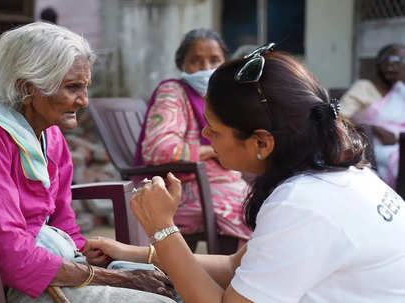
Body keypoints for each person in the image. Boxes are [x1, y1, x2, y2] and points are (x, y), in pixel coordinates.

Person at [84, 44, 405, 302]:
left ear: (261, 142)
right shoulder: (335, 178)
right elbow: (231, 266)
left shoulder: (303, 203)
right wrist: (134, 253)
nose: (206, 135)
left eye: (215, 129)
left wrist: (162, 228)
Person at [0, 22, 175, 303]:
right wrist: (115, 277)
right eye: (73, 87)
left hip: (38, 260)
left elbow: (62, 219)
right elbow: (7, 250)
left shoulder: (51, 136)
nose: (83, 100)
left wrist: (86, 252)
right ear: (27, 88)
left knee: (173, 286)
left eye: (85, 87)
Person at [134, 28, 251, 246]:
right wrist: (210, 150)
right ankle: (232, 275)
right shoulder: (173, 92)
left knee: (269, 209)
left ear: (225, 62)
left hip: (221, 183)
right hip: (182, 186)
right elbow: (159, 148)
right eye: (196, 61)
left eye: (215, 60)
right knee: (251, 215)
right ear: (182, 65)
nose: (206, 68)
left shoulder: (218, 97)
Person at [342, 43, 405, 187]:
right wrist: (374, 129)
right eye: (392, 60)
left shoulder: (401, 91)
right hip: (373, 150)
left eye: (402, 62)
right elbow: (340, 117)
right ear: (379, 63)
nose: (394, 67)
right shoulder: (364, 87)